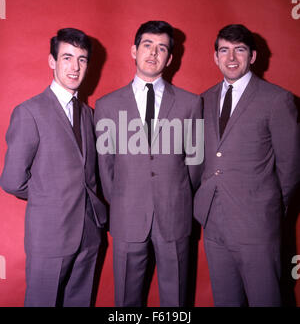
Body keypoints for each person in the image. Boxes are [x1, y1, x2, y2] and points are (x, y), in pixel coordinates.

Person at [94, 20, 202, 306]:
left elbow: (195, 163)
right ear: (134, 50)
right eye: (147, 45)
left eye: (161, 48)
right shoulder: (107, 105)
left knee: (176, 299)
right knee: (126, 299)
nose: (153, 53)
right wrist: (124, 198)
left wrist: (175, 194)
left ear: (170, 57)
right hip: (128, 216)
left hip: (175, 215)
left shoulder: (191, 104)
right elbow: (106, 166)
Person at [194, 24, 300, 306]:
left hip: (257, 227)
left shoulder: (277, 100)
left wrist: (267, 210)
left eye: (239, 50)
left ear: (252, 56)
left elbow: (291, 169)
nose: (231, 58)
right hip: (214, 225)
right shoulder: (202, 101)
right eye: (224, 50)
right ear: (215, 57)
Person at [0, 28, 107, 306]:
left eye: (82, 60)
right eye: (67, 57)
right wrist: (51, 197)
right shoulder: (30, 112)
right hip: (50, 235)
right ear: (52, 61)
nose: (75, 67)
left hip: (89, 233)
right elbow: (12, 181)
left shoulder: (89, 115)